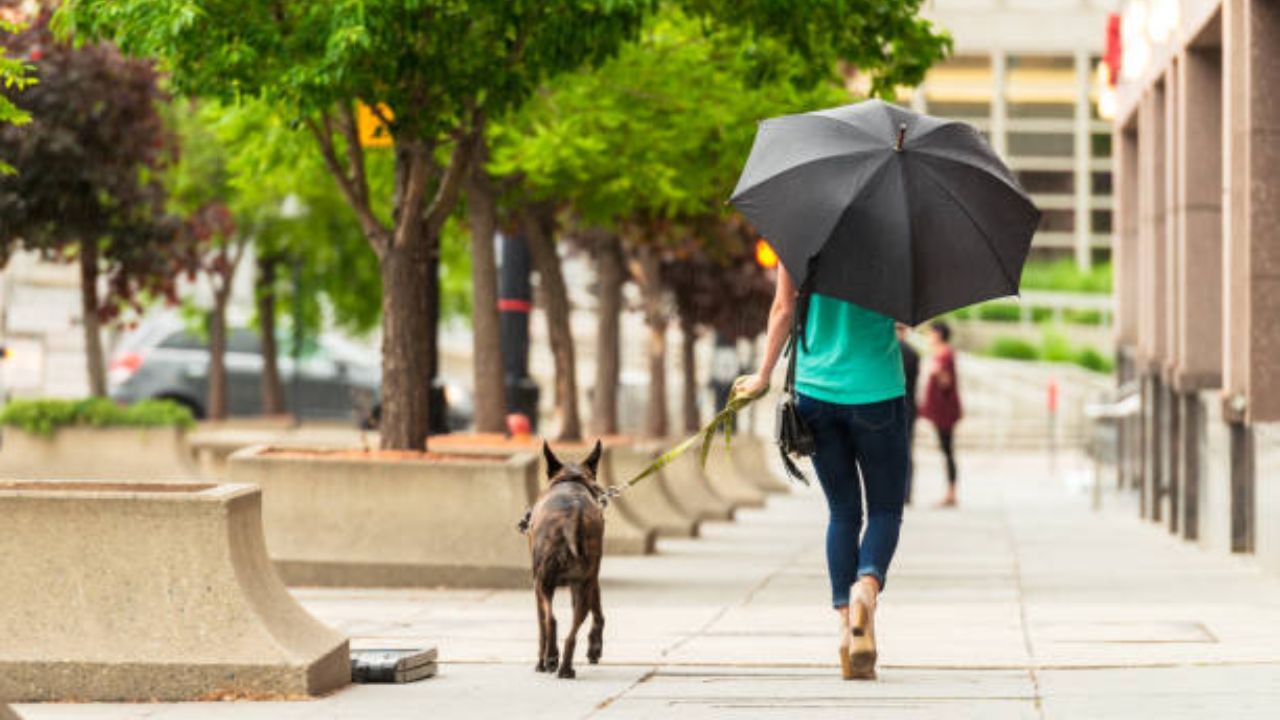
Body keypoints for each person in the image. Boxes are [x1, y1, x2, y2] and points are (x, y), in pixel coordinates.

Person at [735, 266, 907, 681]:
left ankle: (847, 630)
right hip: (877, 389)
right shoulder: (894, 236)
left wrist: (762, 376)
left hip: (815, 391)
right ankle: (866, 588)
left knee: (843, 514)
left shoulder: (802, 229)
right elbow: (906, 315)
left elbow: (782, 308)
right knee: (885, 510)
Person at [920, 321, 962, 507]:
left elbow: (946, 382)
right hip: (939, 410)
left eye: (931, 333)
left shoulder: (945, 355)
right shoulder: (939, 354)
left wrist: (937, 372)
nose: (929, 336)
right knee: (946, 450)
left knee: (948, 450)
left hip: (946, 411)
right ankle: (950, 492)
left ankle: (951, 493)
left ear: (939, 335)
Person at [897, 324, 920, 504]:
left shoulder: (885, 351)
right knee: (907, 450)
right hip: (909, 406)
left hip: (889, 406)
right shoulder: (913, 353)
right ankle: (906, 492)